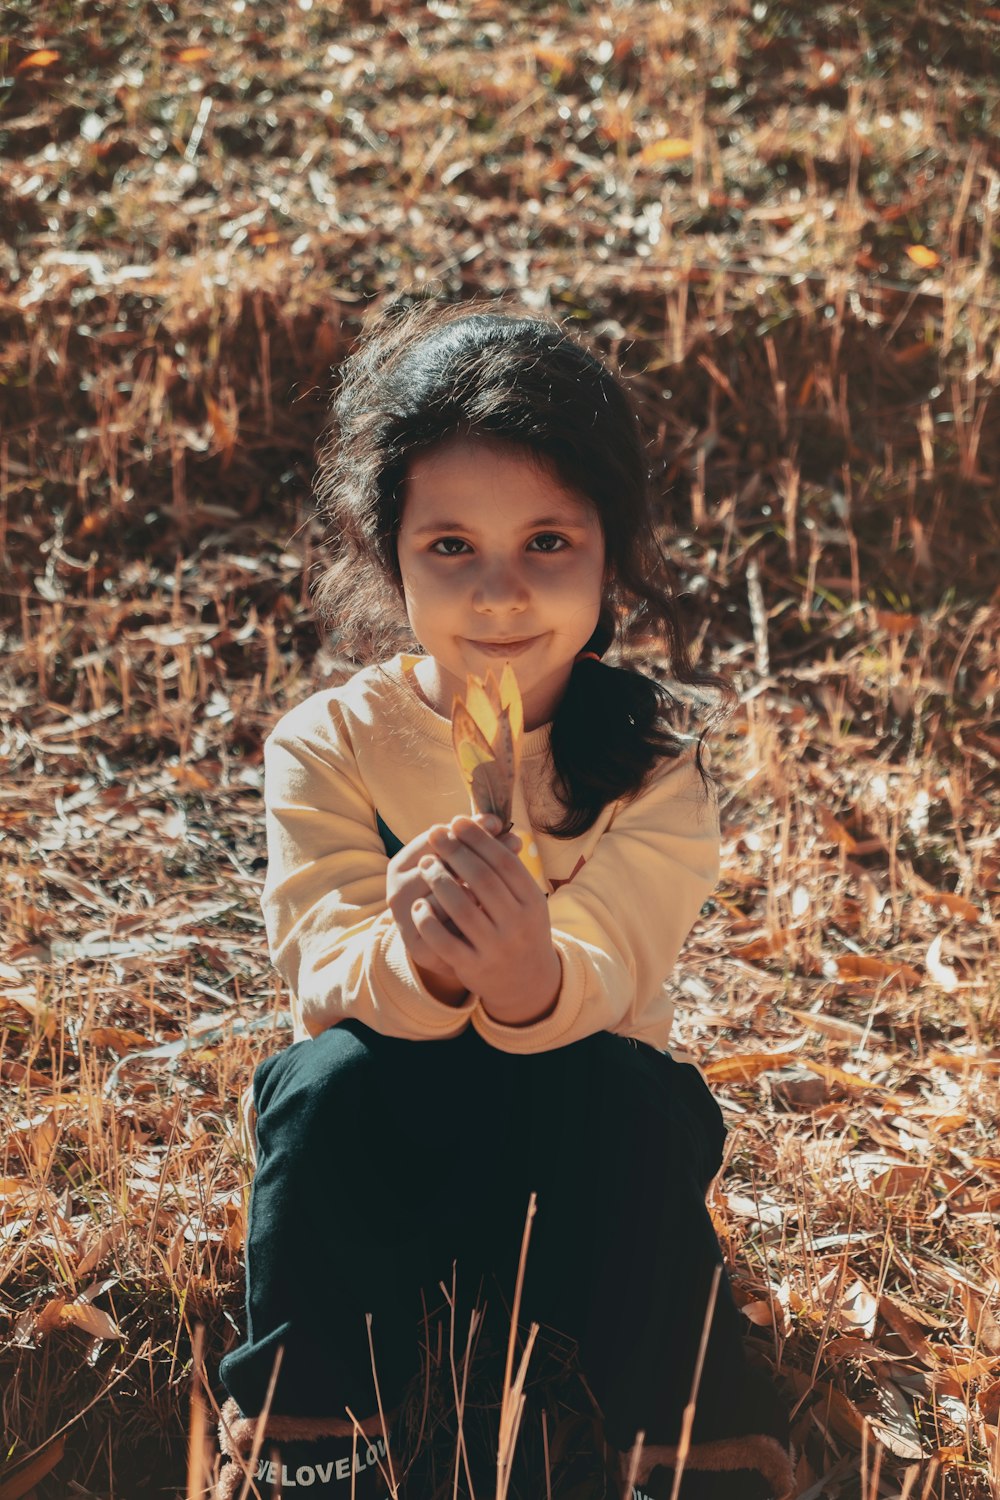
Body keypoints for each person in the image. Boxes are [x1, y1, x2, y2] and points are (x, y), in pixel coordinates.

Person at [213, 295, 795, 1500]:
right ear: (389, 555)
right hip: (385, 1171)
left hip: (580, 1166)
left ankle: (696, 1440)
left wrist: (533, 974)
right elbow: (318, 960)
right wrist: (417, 962)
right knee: (318, 1091)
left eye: (546, 544)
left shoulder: (652, 763)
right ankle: (308, 1439)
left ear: (609, 551)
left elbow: (623, 960)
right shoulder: (326, 745)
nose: (497, 597)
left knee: (643, 1107)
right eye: (449, 549)